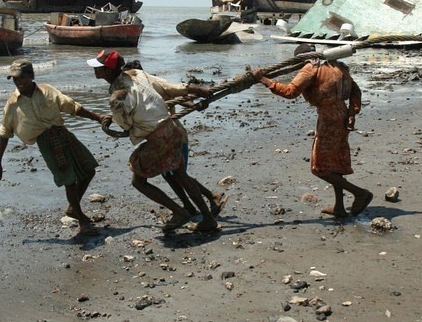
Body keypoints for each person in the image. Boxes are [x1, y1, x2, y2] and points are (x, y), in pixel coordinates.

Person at [88, 50, 218, 233]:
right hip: (171, 129)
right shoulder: (137, 74)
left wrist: (121, 120)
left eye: (99, 67)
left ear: (108, 71)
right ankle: (208, 218)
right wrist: (194, 90)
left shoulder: (117, 97)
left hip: (158, 138)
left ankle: (179, 212)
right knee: (180, 175)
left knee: (138, 182)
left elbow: (125, 124)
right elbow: (166, 87)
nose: (95, 70)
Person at [252, 44, 373, 218]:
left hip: (329, 118)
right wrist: (352, 112)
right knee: (334, 163)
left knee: (320, 168)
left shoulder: (310, 68)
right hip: (343, 114)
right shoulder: (337, 65)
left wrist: (264, 80)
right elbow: (356, 90)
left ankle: (360, 193)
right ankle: (339, 207)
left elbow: (289, 92)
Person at [0, 59, 107, 236]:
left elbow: (72, 107)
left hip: (63, 134)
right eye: (14, 79)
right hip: (46, 142)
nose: (18, 82)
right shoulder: (13, 104)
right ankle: (82, 220)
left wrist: (97, 117)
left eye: (21, 78)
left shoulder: (47, 91)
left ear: (31, 76)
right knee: (69, 180)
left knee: (89, 169)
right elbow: (5, 132)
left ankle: (72, 208)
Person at [122, 60, 228, 218]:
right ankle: (191, 206)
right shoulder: (140, 90)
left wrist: (194, 103)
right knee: (171, 174)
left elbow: (179, 94)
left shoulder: (151, 84)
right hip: (163, 137)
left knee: (178, 174)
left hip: (173, 135)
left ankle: (209, 198)